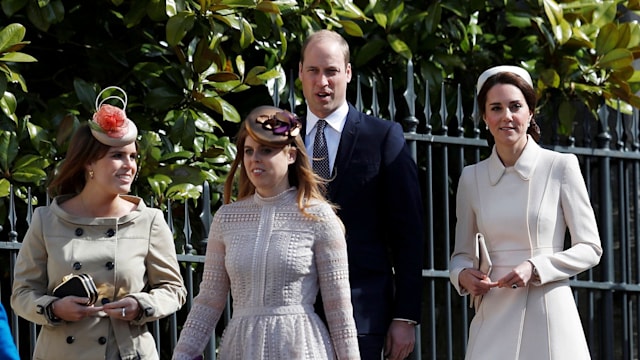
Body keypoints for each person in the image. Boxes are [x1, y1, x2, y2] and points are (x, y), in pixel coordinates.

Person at [11, 86, 187, 360]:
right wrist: (54, 308)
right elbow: (22, 293)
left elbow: (174, 290)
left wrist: (140, 304)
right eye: (117, 155)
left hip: (127, 353)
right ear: (89, 162)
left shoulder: (149, 220)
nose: (129, 165)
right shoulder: (46, 220)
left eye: (133, 156)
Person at [172, 106, 360, 360]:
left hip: (301, 348)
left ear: (291, 155)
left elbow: (339, 308)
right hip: (241, 348)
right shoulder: (227, 218)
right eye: (248, 151)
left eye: (266, 150)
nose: (254, 158)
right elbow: (209, 299)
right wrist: (182, 354)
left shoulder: (318, 216)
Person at [449, 66, 603, 359]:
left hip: (550, 315)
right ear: (484, 117)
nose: (506, 116)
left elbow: (591, 248)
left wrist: (536, 267)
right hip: (492, 316)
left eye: (515, 106)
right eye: (496, 108)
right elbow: (461, 255)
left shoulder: (560, 166)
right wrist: (462, 276)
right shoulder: (472, 178)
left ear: (530, 112)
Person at [298, 29, 425, 360]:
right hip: (293, 315)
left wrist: (405, 316)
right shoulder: (285, 138)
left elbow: (408, 233)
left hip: (363, 314)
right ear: (300, 72)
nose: (322, 82)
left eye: (331, 71)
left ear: (348, 73)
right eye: (313, 70)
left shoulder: (383, 137)